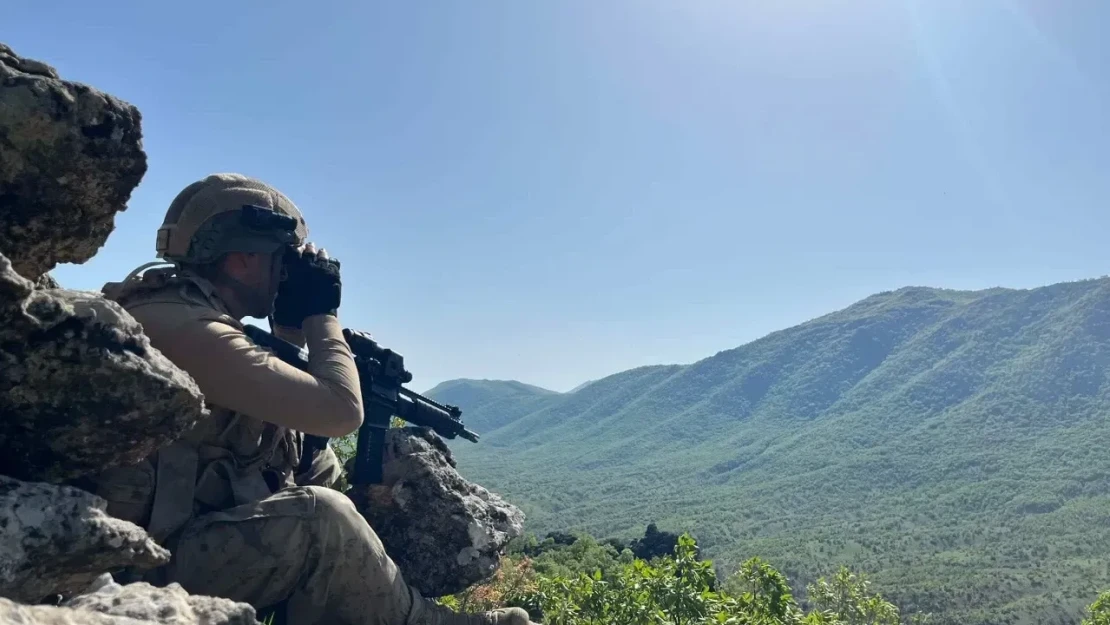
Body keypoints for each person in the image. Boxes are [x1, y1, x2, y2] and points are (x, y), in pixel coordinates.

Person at [89, 173, 535, 625]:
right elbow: (340, 412)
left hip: (172, 543)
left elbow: (275, 437)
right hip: (140, 569)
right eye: (283, 259)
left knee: (325, 475)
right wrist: (322, 315)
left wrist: (287, 330)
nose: (289, 272)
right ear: (242, 260)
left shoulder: (184, 313)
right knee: (324, 517)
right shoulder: (180, 325)